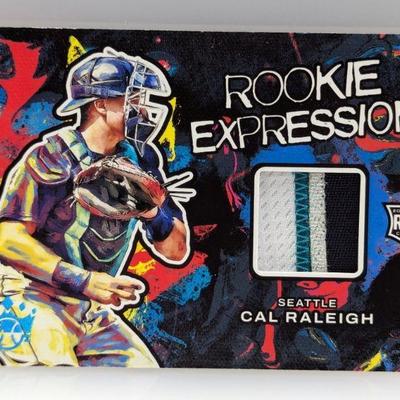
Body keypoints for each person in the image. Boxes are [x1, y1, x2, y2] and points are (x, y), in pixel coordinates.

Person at [0, 47, 191, 367]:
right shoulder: (53, 156)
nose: (144, 109)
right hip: (28, 298)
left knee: (147, 379)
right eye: (134, 98)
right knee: (55, 380)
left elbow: (176, 251)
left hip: (88, 309)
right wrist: (84, 281)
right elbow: (6, 239)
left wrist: (152, 212)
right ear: (100, 104)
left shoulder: (140, 160)